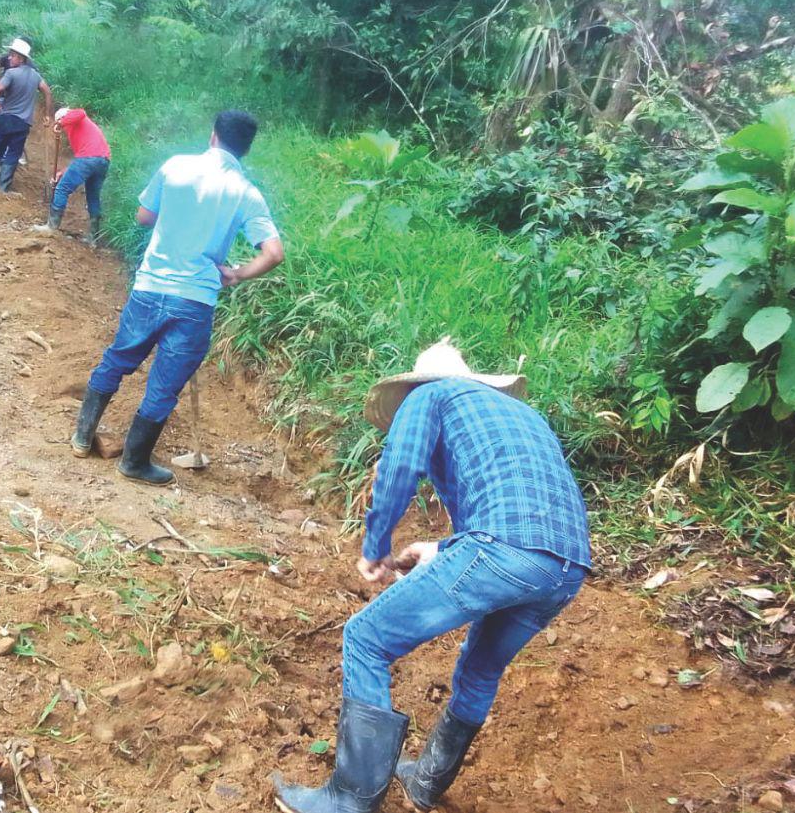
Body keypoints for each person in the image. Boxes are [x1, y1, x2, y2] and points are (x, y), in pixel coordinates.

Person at [272, 340, 591, 813]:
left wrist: (376, 549)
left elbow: (398, 468)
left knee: (366, 637)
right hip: (567, 567)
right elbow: (519, 511)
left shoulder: (430, 397)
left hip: (504, 551)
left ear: (416, 386)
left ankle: (349, 799)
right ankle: (425, 782)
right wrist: (441, 549)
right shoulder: (524, 417)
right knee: (480, 669)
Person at [70, 110, 284, 485]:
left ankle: (82, 436)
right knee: (164, 385)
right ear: (245, 149)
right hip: (195, 301)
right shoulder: (246, 193)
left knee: (117, 359)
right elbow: (273, 253)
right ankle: (134, 462)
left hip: (151, 287)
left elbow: (143, 216)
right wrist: (235, 273)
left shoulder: (175, 166)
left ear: (213, 135)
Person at [0, 38, 53, 191]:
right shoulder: (35, 76)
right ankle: (4, 187)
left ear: (21, 58)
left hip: (6, 118)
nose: (9, 58)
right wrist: (47, 115)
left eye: (12, 55)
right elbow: (47, 92)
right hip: (23, 123)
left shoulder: (11, 73)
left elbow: (0, 87)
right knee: (13, 153)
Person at [45, 106, 110, 242]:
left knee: (62, 189)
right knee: (93, 196)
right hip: (103, 161)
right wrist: (61, 173)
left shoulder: (76, 118)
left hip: (89, 159)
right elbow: (79, 160)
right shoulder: (80, 130)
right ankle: (93, 238)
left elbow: (80, 113)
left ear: (63, 118)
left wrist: (60, 123)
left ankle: (51, 227)